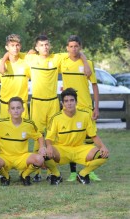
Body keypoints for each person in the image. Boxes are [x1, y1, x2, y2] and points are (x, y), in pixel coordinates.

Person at [25, 35, 91, 182]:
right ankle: (36, 172)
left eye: (47, 44)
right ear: (36, 48)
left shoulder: (57, 58)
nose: (45, 47)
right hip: (37, 102)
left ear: (50, 46)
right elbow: (13, 54)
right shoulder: (30, 58)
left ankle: (51, 171)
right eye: (41, 45)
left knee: (52, 136)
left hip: (53, 102)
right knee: (37, 136)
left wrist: (86, 63)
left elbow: (76, 52)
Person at [0, 97, 61, 186]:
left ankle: (25, 175)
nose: (16, 111)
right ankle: (6, 176)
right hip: (5, 157)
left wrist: (42, 146)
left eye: (18, 108)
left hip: (22, 157)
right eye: (13, 108)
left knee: (39, 159)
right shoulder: (0, 124)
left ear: (23, 109)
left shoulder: (29, 124)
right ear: (9, 111)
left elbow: (39, 136)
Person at [45, 88, 109, 184]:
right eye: (66, 101)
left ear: (76, 102)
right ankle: (56, 175)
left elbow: (93, 136)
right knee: (44, 154)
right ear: (62, 103)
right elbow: (49, 138)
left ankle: (83, 174)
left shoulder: (85, 115)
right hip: (62, 150)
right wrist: (49, 146)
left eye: (72, 100)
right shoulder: (56, 118)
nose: (69, 103)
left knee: (103, 155)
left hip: (80, 149)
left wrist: (102, 146)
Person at [60, 35, 101, 182]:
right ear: (67, 48)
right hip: (69, 107)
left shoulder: (88, 63)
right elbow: (46, 57)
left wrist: (96, 107)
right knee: (73, 140)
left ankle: (89, 171)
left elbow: (95, 87)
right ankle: (72, 172)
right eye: (70, 46)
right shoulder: (62, 62)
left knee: (90, 139)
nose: (73, 49)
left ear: (80, 47)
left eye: (76, 46)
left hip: (86, 107)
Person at [0, 34, 30, 119]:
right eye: (12, 45)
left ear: (20, 46)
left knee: (23, 132)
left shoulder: (26, 62)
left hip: (22, 107)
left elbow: (33, 52)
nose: (15, 48)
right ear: (7, 47)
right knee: (4, 132)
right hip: (6, 106)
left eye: (17, 45)